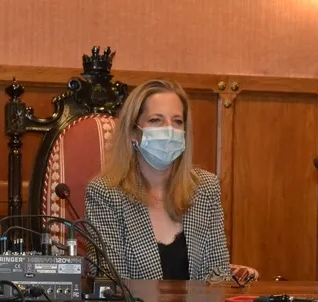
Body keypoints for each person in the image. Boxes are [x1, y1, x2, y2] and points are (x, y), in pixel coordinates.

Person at [84, 79, 256, 281]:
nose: (169, 130)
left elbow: (218, 273)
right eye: (156, 120)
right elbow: (112, 282)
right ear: (133, 132)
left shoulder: (205, 188)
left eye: (177, 121)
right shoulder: (106, 193)